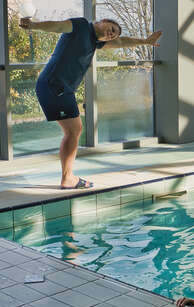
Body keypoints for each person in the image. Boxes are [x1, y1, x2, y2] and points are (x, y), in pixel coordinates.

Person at [19, 17, 162, 189]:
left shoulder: (94, 42)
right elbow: (57, 25)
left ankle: (68, 177)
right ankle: (68, 178)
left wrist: (145, 41)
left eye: (113, 35)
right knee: (73, 130)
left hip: (62, 88)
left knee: (74, 130)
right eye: (111, 29)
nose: (111, 35)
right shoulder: (80, 25)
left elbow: (122, 41)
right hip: (54, 85)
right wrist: (34, 25)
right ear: (102, 21)